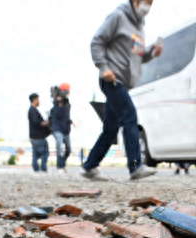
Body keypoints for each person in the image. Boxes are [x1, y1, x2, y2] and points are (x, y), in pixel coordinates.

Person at [82, 0, 162, 181]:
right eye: (146, 2)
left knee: (110, 128)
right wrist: (104, 68)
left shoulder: (139, 26)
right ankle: (135, 167)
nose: (148, 6)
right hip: (112, 79)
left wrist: (150, 53)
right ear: (135, 1)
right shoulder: (118, 16)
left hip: (123, 82)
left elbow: (136, 56)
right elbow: (96, 42)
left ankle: (90, 166)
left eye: (151, 3)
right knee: (130, 116)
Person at [51, 83, 74, 173]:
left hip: (66, 129)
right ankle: (59, 167)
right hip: (57, 128)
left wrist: (70, 121)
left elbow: (66, 115)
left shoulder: (67, 103)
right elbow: (57, 114)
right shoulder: (57, 101)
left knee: (68, 149)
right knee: (59, 148)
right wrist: (58, 101)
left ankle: (63, 163)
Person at [27, 93, 50, 173]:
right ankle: (42, 168)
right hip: (38, 137)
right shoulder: (33, 111)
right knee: (44, 153)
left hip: (33, 137)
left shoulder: (31, 110)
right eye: (38, 99)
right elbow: (38, 122)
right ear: (35, 100)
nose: (39, 101)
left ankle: (36, 168)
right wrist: (47, 122)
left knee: (35, 153)